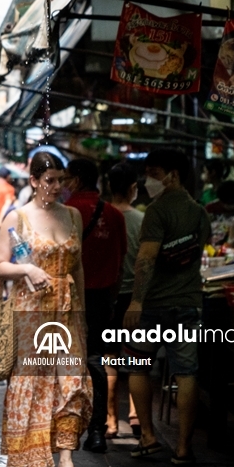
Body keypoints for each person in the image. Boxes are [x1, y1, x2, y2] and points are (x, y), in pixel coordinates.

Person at [0, 152, 93, 467]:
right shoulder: (16, 218)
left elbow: (77, 267)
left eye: (60, 181)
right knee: (33, 383)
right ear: (34, 181)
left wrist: (83, 314)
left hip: (67, 309)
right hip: (31, 311)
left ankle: (65, 459)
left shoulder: (74, 216)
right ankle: (29, 461)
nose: (56, 187)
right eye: (49, 181)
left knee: (71, 380)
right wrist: (27, 268)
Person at [123, 149, 211, 466]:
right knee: (187, 372)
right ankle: (184, 448)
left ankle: (148, 436)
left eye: (155, 172)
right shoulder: (199, 213)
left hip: (155, 306)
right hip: (188, 303)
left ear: (173, 174)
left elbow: (146, 259)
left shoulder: (156, 212)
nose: (149, 179)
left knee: (138, 365)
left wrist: (136, 300)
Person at [63, 158, 127, 454]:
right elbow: (121, 263)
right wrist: (112, 299)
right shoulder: (114, 214)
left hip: (67, 300)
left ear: (75, 179)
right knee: (97, 362)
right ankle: (97, 430)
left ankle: (68, 428)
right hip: (102, 301)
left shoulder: (63, 213)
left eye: (64, 178)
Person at [105, 162, 143, 439]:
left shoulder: (102, 216)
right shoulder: (142, 220)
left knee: (109, 359)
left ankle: (110, 420)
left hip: (108, 296)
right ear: (133, 188)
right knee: (136, 358)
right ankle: (135, 414)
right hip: (136, 298)